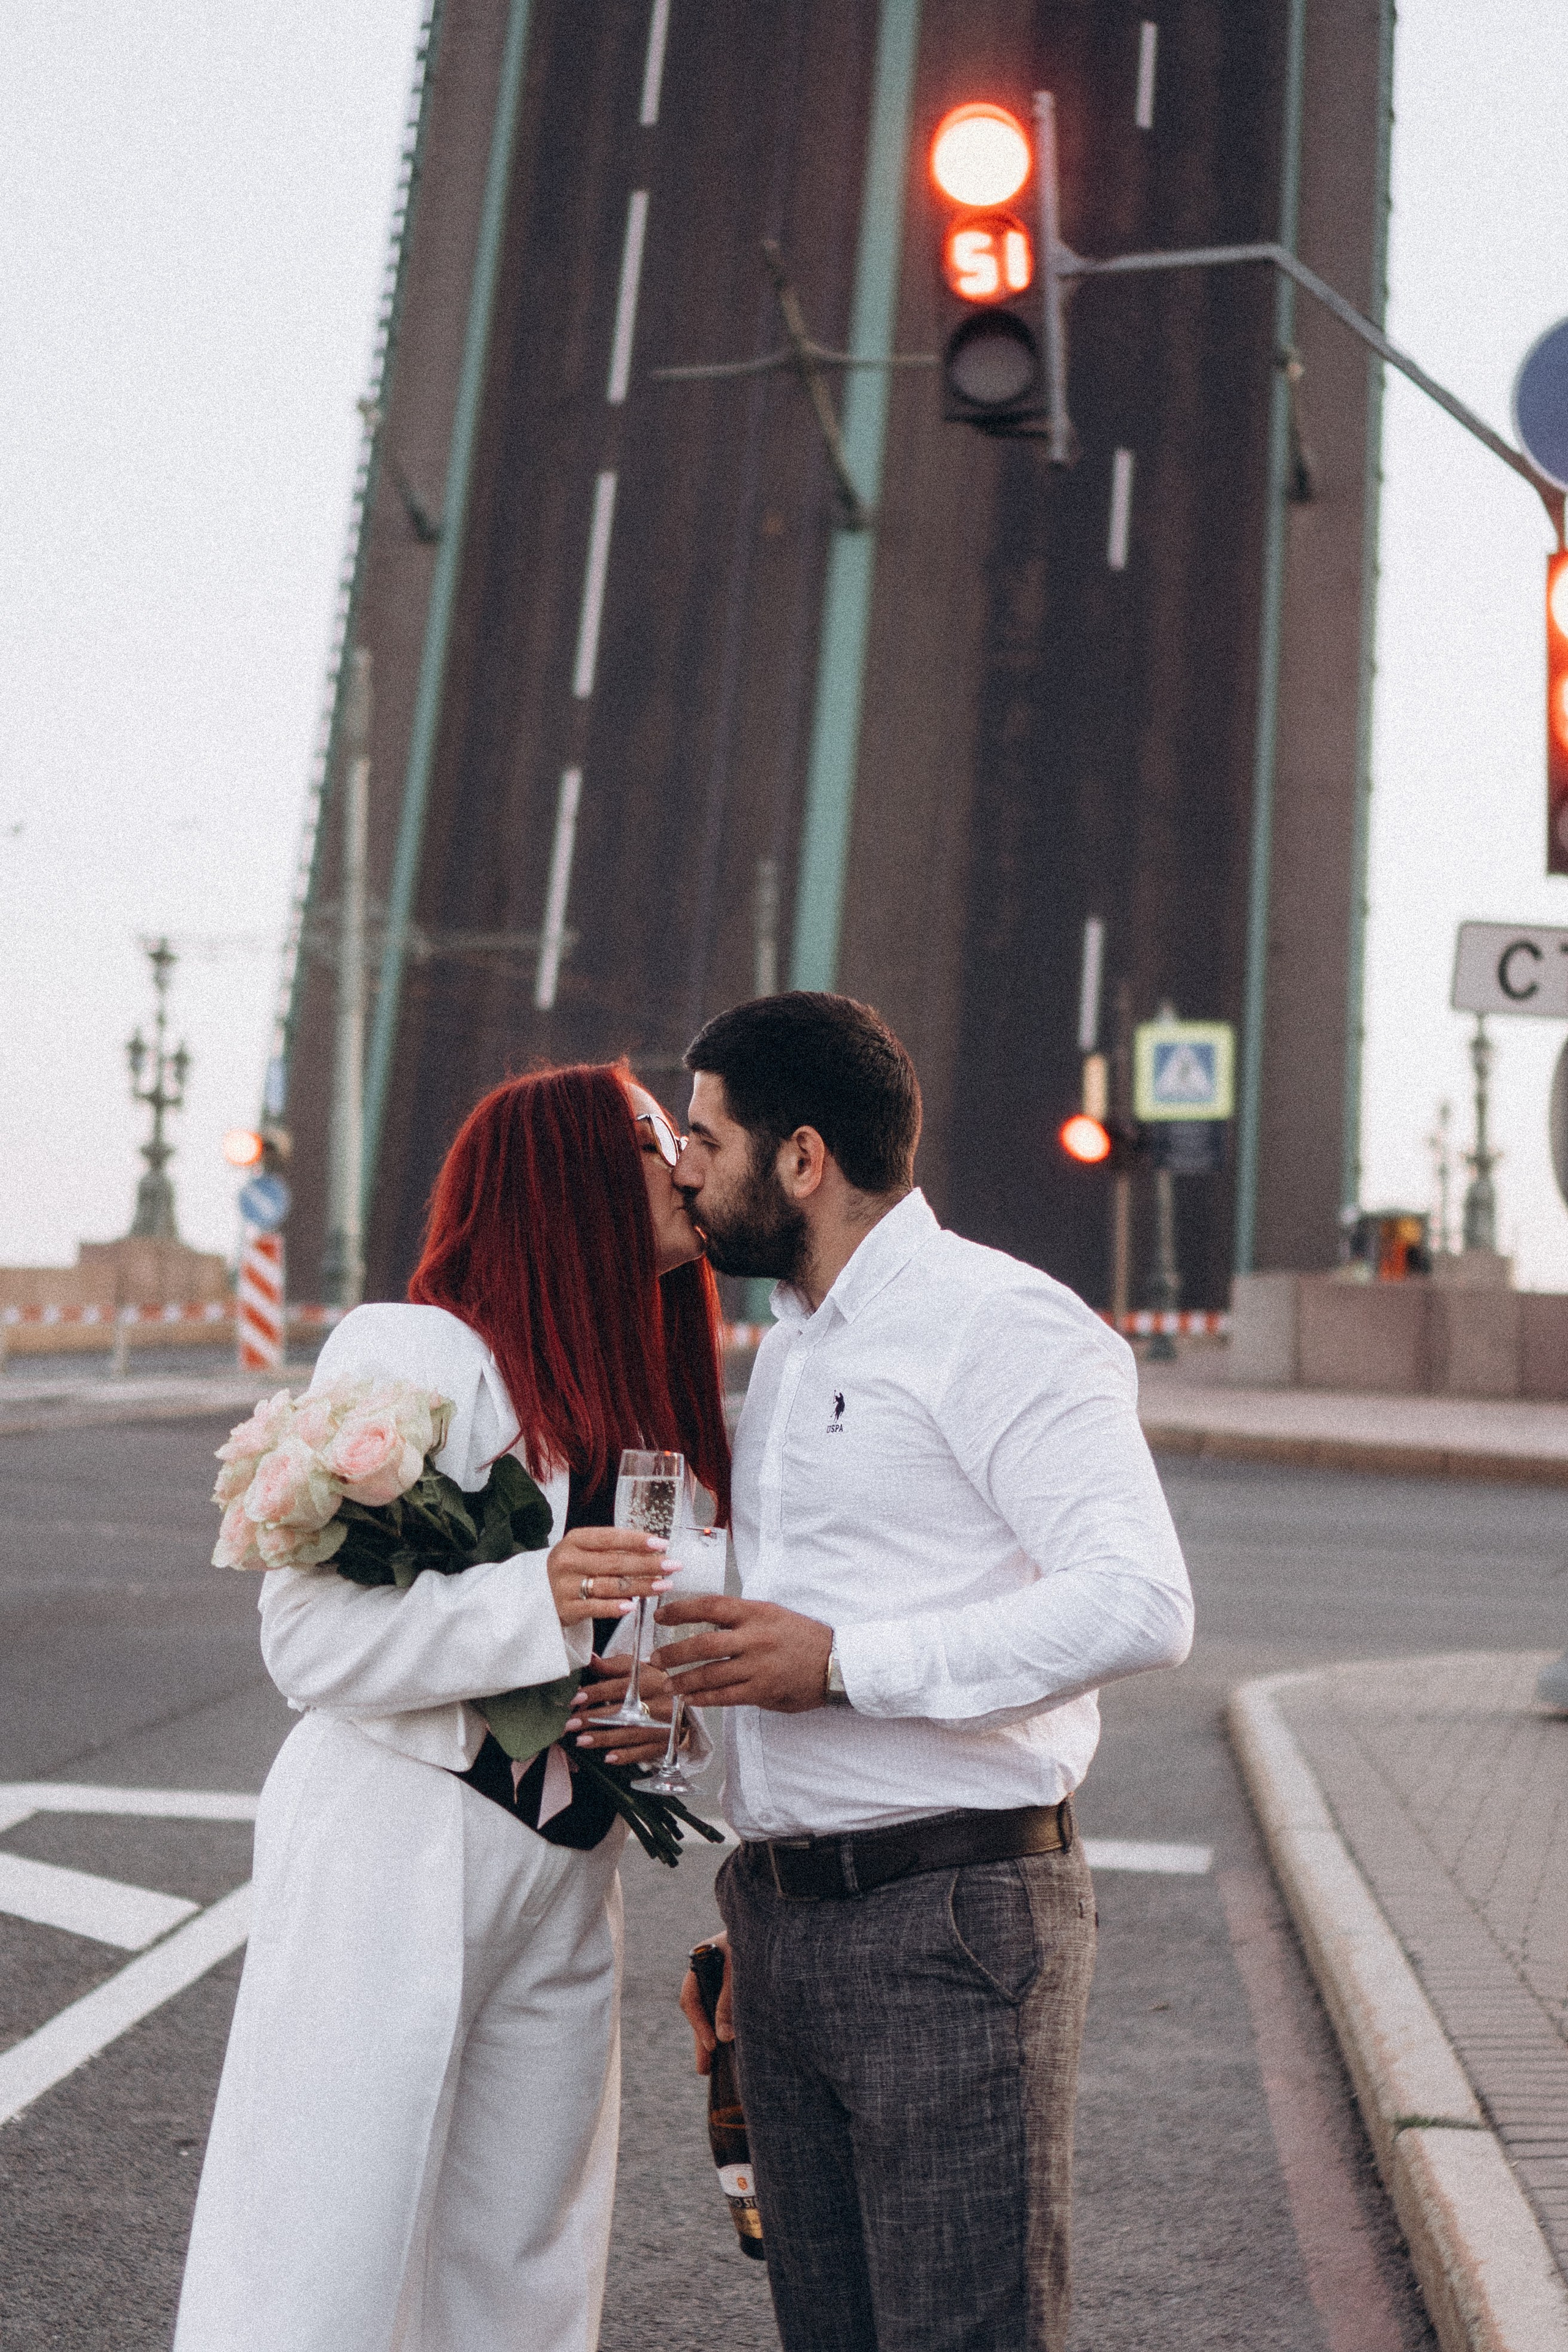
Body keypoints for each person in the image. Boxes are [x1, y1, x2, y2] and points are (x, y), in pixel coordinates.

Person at [658, 992, 1193, 2352]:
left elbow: (1137, 1602)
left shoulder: (998, 1322)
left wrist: (843, 1668)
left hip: (949, 1922)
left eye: (704, 1138)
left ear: (801, 1159)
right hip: (786, 1927)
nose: (681, 1168)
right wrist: (753, 1874)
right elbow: (818, 1603)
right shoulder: (789, 1345)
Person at [175, 1065, 729, 2352]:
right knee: (326, 2238)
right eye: (660, 1138)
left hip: (568, 1856)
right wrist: (532, 1599)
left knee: (527, 2253)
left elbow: (649, 1649)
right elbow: (305, 1636)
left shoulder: (647, 1397)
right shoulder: (420, 1352)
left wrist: (666, 1722)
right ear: (573, 1172)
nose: (688, 1165)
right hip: (400, 1835)